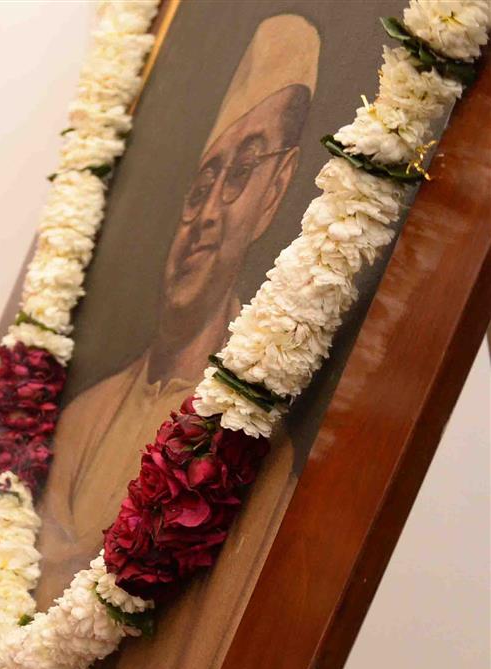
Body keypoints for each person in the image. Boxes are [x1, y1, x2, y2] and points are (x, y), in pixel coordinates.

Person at [35, 14, 319, 600]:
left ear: (275, 191)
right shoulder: (83, 418)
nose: (208, 214)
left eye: (240, 174)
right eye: (201, 185)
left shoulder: (253, 443)